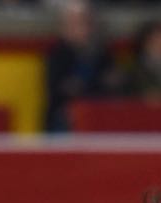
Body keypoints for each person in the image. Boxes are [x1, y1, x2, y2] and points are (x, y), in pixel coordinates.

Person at [43, 1, 122, 134]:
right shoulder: (58, 53)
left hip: (98, 111)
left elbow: (111, 82)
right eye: (74, 22)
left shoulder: (102, 51)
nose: (81, 27)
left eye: (84, 22)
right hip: (65, 115)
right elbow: (59, 88)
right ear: (64, 26)